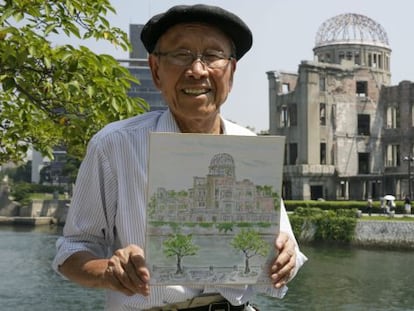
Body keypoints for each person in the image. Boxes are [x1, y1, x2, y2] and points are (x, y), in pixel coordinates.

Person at [52, 4, 307, 311]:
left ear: (232, 71)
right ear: (156, 69)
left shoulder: (251, 148)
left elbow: (285, 246)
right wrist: (109, 271)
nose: (197, 70)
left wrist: (286, 259)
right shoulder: (115, 145)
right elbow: (71, 251)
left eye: (212, 56)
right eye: (181, 55)